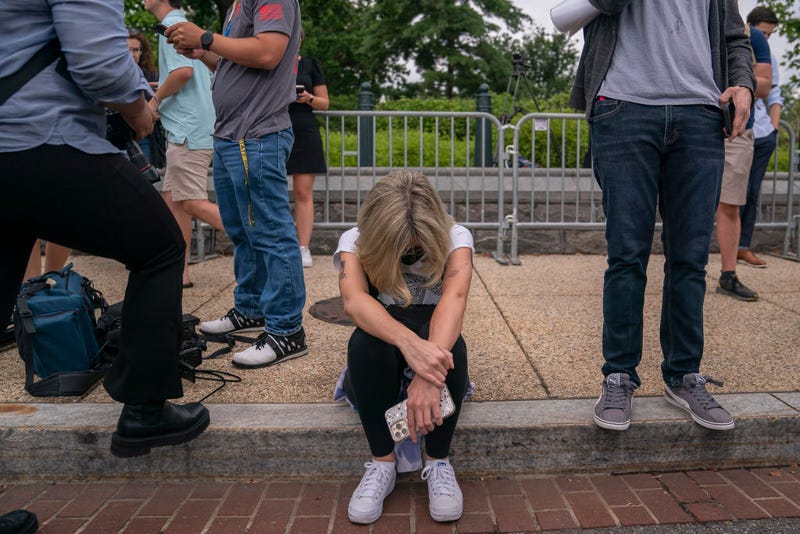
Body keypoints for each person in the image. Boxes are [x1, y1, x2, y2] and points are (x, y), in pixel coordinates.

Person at [0, 0, 209, 457]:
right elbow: (99, 62)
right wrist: (139, 113)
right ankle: (145, 410)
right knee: (160, 248)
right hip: (42, 137)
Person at [570, 0, 755, 432]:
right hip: (623, 107)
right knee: (626, 256)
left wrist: (743, 83)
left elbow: (734, 37)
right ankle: (618, 374)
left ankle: (684, 374)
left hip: (700, 114)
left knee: (690, 259)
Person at [165, 1, 308, 368]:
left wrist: (207, 37)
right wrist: (203, 51)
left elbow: (267, 52)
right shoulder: (239, 5)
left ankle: (287, 330)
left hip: (256, 133)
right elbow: (235, 62)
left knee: (271, 233)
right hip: (234, 135)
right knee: (243, 230)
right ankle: (251, 308)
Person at [335, 171, 473, 524]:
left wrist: (427, 375)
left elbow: (454, 300)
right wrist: (412, 348)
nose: (411, 252)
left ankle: (438, 461)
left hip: (433, 339)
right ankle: (382, 463)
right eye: (403, 247)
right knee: (365, 345)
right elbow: (353, 302)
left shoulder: (457, 238)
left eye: (417, 246)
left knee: (452, 348)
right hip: (387, 346)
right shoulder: (355, 240)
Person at [145, 0, 224, 289]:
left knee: (189, 202)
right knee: (173, 203)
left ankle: (255, 246)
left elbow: (182, 73)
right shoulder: (181, 24)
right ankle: (180, 273)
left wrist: (155, 101)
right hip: (190, 127)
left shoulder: (171, 27)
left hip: (188, 129)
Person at [714, 24, 772, 301]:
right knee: (684, 202)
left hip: (735, 130)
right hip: (692, 122)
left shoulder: (754, 36)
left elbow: (764, 84)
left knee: (730, 204)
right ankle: (683, 272)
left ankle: (728, 274)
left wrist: (739, 80)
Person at [738, 6, 784, 268]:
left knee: (752, 193)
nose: (765, 39)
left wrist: (774, 129)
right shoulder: (734, 47)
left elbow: (774, 95)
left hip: (762, 134)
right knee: (728, 195)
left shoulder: (770, 59)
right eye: (762, 33)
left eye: (770, 35)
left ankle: (743, 246)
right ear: (749, 26)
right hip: (734, 130)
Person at [287, 36, 329, 268]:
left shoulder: (310, 64)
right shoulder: (271, 60)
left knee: (303, 192)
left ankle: (303, 247)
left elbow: (325, 102)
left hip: (304, 131)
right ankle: (277, 244)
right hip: (274, 127)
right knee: (271, 191)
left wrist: (308, 97)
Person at [127, 28, 163, 165]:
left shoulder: (152, 77)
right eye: (127, 49)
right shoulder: (110, 75)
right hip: (116, 138)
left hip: (144, 137)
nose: (132, 54)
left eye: (136, 50)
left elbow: (160, 111)